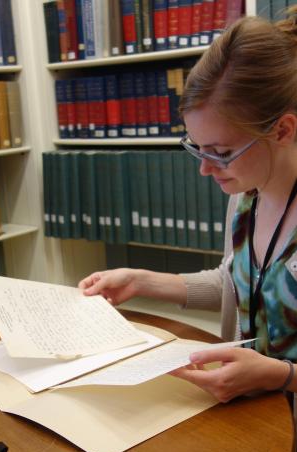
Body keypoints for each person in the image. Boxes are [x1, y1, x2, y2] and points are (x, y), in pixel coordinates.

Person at [79, 7, 297, 404]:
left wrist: (283, 376)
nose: (205, 169)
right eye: (197, 148)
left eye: (221, 151)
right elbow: (237, 284)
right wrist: (142, 282)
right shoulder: (244, 196)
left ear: (282, 130)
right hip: (248, 413)